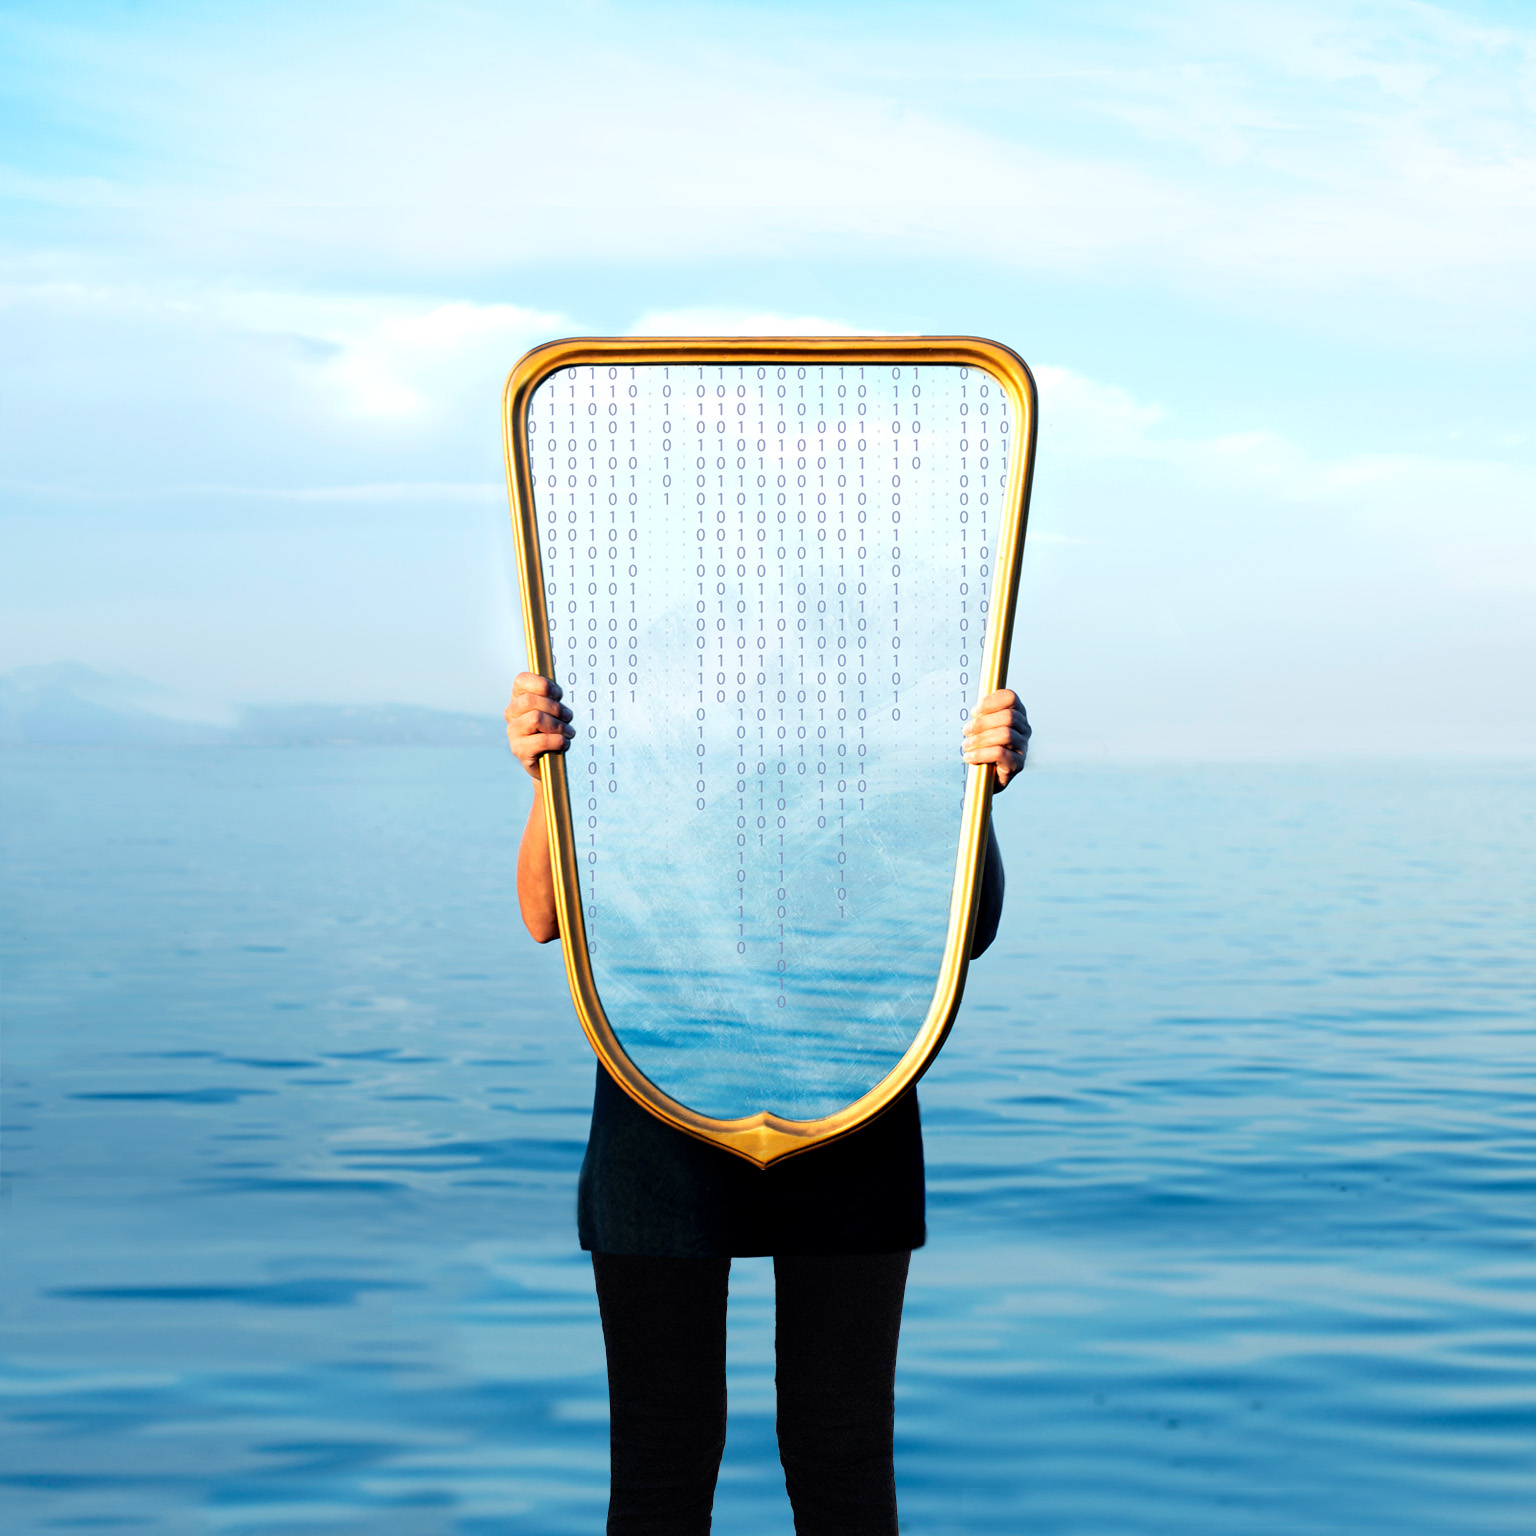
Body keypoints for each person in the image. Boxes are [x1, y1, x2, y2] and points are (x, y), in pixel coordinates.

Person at [507, 673, 1030, 1536]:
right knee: (664, 1459)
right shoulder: (634, 713)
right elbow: (541, 914)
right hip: (659, 1089)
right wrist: (542, 776)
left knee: (840, 1454)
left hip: (856, 1091)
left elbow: (968, 928)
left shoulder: (887, 720)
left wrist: (978, 788)